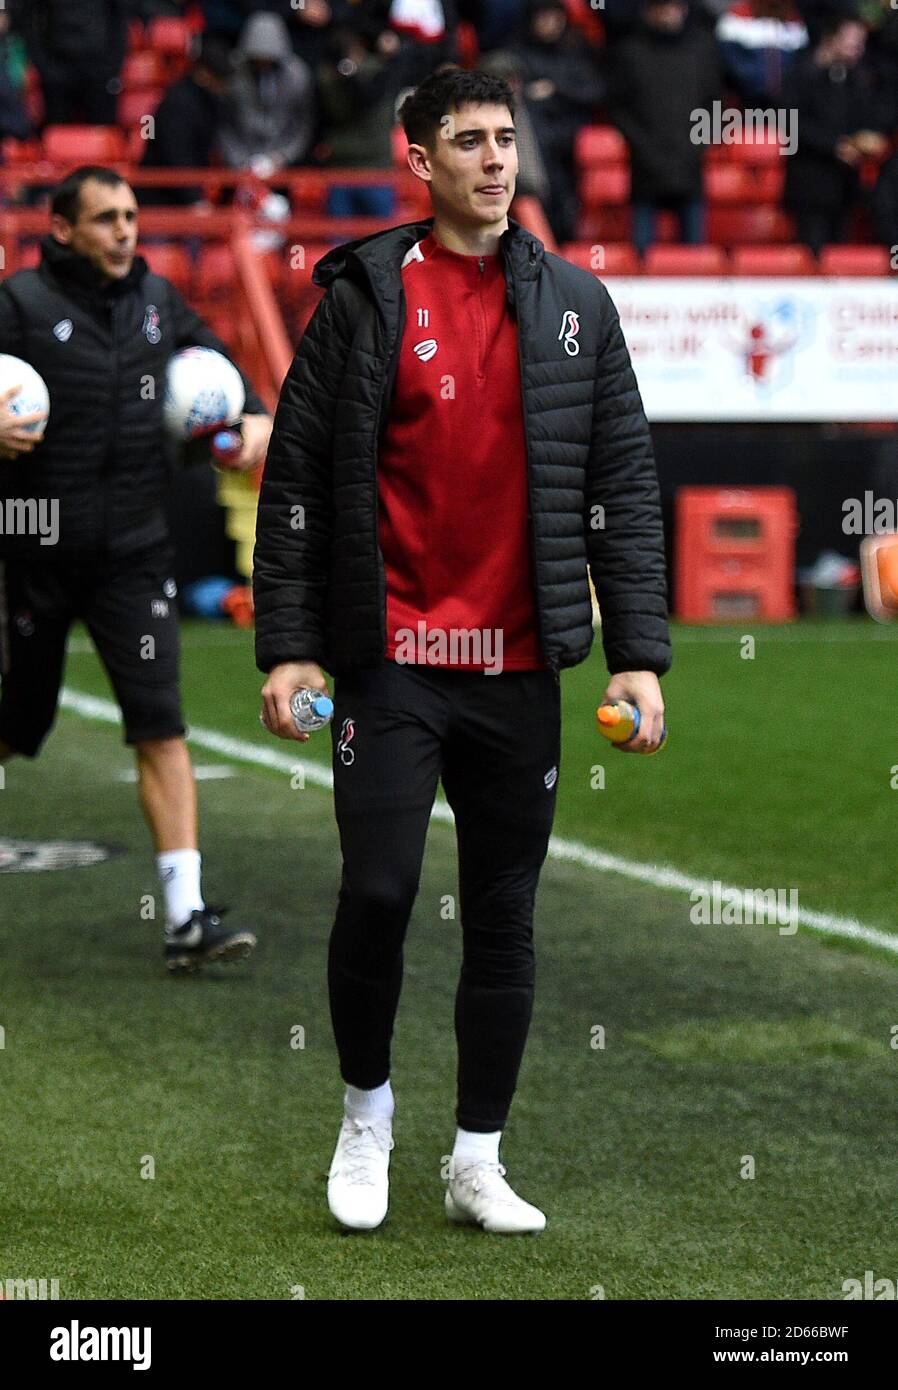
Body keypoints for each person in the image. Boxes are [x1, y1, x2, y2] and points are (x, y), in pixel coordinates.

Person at [253, 68, 671, 1234]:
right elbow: (292, 483)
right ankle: (366, 1115)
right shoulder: (362, 299)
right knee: (379, 890)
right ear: (417, 159)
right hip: (390, 659)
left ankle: (476, 1156)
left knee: (503, 914)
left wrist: (636, 651)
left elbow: (622, 486)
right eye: (468, 141)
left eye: (505, 138)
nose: (495, 159)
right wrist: (288, 646)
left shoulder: (578, 302)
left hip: (520, 664)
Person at [0, 166, 274, 971]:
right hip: (32, 549)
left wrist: (251, 420)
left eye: (130, 216)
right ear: (61, 229)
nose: (125, 230)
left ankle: (186, 916)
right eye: (105, 218)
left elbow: (228, 381)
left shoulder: (160, 306)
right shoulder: (18, 305)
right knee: (15, 727)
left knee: (160, 725)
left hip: (133, 551)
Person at [609, 0, 721, 256]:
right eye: (662, 6)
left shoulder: (701, 52)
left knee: (695, 263)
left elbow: (715, 104)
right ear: (649, 11)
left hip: (690, 167)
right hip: (645, 168)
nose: (669, 12)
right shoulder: (630, 52)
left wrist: (697, 146)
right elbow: (618, 109)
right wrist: (642, 147)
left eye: (674, 6)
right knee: (640, 261)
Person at [782, 11, 889, 253]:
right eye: (852, 42)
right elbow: (791, 123)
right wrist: (835, 145)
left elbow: (867, 118)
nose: (857, 49)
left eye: (861, 44)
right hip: (810, 188)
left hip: (845, 189)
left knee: (841, 261)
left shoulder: (858, 78)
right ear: (831, 39)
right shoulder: (802, 74)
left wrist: (866, 140)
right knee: (811, 260)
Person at [140, 35, 234, 207]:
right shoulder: (177, 102)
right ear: (204, 74)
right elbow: (175, 154)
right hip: (159, 195)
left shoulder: (211, 101)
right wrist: (194, 199)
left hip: (187, 190)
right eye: (220, 80)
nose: (224, 87)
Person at [219, 10, 317, 176]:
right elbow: (223, 123)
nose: (263, 65)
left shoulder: (298, 76)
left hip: (284, 164)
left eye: (269, 59)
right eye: (257, 59)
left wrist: (282, 157)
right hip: (239, 165)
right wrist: (240, 161)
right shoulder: (233, 74)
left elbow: (303, 123)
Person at [11, 0, 128, 127]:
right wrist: (44, 67)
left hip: (99, 69)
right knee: (57, 135)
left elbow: (120, 18)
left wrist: (111, 67)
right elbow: (31, 18)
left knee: (102, 132)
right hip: (57, 69)